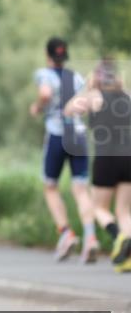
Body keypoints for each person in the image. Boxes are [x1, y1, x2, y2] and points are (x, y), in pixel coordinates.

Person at [30, 38, 97, 262]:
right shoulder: (75, 77)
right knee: (81, 188)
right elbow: (88, 104)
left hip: (58, 135)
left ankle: (66, 233)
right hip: (78, 135)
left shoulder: (44, 74)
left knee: (50, 186)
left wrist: (38, 107)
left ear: (47, 55)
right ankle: (90, 238)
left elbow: (46, 94)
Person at [64, 59, 131, 273]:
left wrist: (87, 87)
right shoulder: (128, 96)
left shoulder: (94, 97)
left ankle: (117, 235)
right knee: (124, 210)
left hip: (106, 158)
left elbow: (68, 110)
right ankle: (127, 257)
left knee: (98, 208)